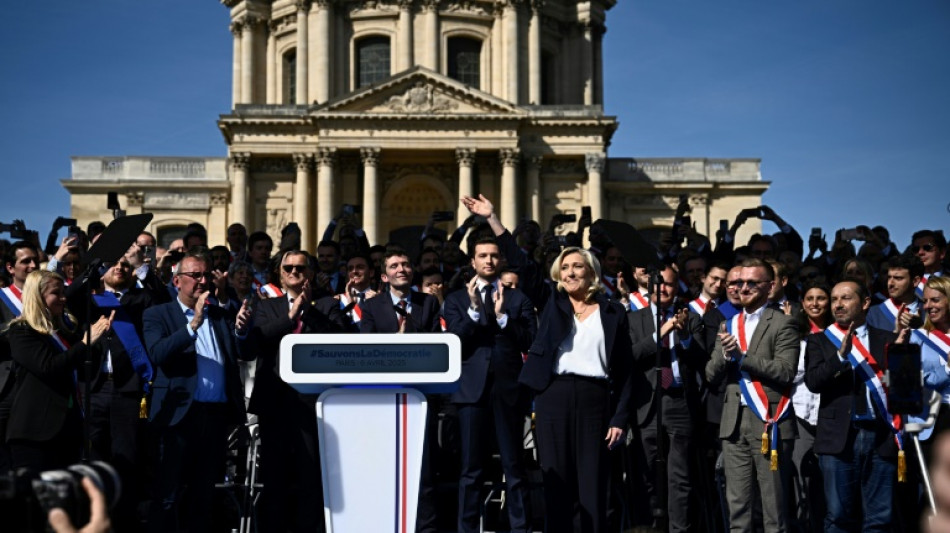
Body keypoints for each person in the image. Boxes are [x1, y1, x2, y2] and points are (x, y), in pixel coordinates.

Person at [519, 246, 633, 533]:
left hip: (594, 400)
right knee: (557, 487)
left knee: (593, 486)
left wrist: (619, 418)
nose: (570, 272)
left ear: (592, 272)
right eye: (565, 266)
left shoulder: (613, 312)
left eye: (577, 266)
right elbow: (524, 266)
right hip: (553, 398)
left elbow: (625, 371)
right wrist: (494, 220)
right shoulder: (551, 304)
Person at [442, 199, 537, 533]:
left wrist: (501, 317)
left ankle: (520, 528)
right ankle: (467, 529)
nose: (489, 260)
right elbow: (454, 341)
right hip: (470, 392)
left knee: (514, 466)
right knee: (470, 470)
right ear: (472, 261)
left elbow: (529, 340)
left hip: (509, 391)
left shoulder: (516, 298)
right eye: (483, 255)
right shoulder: (455, 298)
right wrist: (471, 312)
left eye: (494, 255)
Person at [143, 251, 253, 533]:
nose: (203, 281)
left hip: (213, 418)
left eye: (206, 275)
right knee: (167, 495)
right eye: (195, 276)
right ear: (177, 281)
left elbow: (240, 354)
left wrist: (241, 331)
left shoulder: (220, 314)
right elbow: (157, 354)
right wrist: (192, 326)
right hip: (178, 418)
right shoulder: (158, 313)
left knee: (203, 496)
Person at [247, 250, 345, 532]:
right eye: (287, 268)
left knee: (310, 475)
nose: (293, 272)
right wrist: (290, 315)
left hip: (313, 405)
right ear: (280, 273)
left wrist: (308, 309)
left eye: (300, 268)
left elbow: (340, 341)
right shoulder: (266, 306)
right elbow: (256, 342)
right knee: (274, 476)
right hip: (274, 402)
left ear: (310, 274)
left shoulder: (326, 306)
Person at [705, 258, 800, 532]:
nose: (743, 288)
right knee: (738, 508)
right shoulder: (728, 324)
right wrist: (725, 355)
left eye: (752, 283)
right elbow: (711, 375)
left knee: (774, 509)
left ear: (770, 286)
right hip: (733, 423)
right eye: (739, 282)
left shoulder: (783, 323)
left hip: (769, 422)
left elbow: (785, 372)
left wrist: (742, 358)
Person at [804, 278, 900, 532]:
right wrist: (839, 357)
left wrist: (903, 358)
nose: (837, 305)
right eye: (834, 299)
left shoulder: (888, 339)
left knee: (880, 518)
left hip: (881, 436)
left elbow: (903, 389)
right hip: (838, 439)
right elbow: (813, 382)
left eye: (845, 298)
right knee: (837, 517)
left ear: (866, 302)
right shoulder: (820, 341)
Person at [360, 247, 441, 533]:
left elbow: (436, 347)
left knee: (424, 471)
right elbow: (366, 348)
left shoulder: (428, 303)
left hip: (420, 396)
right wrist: (396, 342)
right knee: (383, 468)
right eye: (394, 266)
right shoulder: (371, 307)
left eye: (406, 264)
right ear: (384, 275)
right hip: (382, 398)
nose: (401, 269)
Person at [6, 270, 112, 471]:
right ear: (38, 295)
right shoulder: (22, 330)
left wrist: (96, 341)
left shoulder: (62, 330)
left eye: (64, 291)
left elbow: (79, 365)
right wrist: (85, 342)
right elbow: (49, 367)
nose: (63, 298)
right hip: (35, 432)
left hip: (66, 429)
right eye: (57, 293)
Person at [627, 264, 705, 531]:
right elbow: (631, 356)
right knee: (645, 475)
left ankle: (678, 529)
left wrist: (683, 336)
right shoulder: (633, 319)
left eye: (669, 284)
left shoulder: (691, 318)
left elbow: (701, 359)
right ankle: (648, 528)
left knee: (679, 478)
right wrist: (661, 332)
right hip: (646, 404)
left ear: (676, 287)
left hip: (679, 402)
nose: (663, 289)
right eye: (658, 284)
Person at [789, 281, 831, 531]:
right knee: (800, 482)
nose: (815, 303)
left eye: (821, 298)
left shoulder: (839, 333)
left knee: (829, 483)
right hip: (800, 414)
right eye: (809, 298)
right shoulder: (794, 333)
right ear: (802, 304)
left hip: (830, 415)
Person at [0, 241, 40, 470]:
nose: (33, 265)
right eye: (25, 261)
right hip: (7, 385)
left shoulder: (49, 298)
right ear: (10, 267)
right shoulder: (2, 298)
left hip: (37, 386)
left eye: (35, 260)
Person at [867, 254, 925, 332]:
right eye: (889, 277)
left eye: (898, 278)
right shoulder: (873, 314)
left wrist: (922, 328)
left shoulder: (931, 311)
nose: (890, 283)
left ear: (915, 281)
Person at [913, 230, 946, 299]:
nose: (920, 252)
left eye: (927, 248)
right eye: (916, 249)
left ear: (942, 253)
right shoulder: (908, 281)